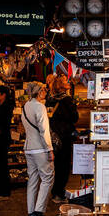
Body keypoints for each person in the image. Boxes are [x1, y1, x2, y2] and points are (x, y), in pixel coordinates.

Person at [22, 82, 54, 216]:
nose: (46, 92)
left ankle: (30, 213)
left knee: (33, 179)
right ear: (39, 91)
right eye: (45, 90)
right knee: (47, 178)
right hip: (40, 149)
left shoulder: (25, 106)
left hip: (28, 147)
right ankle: (39, 211)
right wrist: (50, 149)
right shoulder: (40, 107)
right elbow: (44, 130)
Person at [46, 73, 79, 203]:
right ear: (60, 85)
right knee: (64, 167)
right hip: (64, 136)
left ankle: (55, 192)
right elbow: (74, 118)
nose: (68, 82)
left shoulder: (50, 98)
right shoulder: (67, 100)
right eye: (65, 81)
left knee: (56, 165)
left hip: (53, 136)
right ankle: (58, 193)